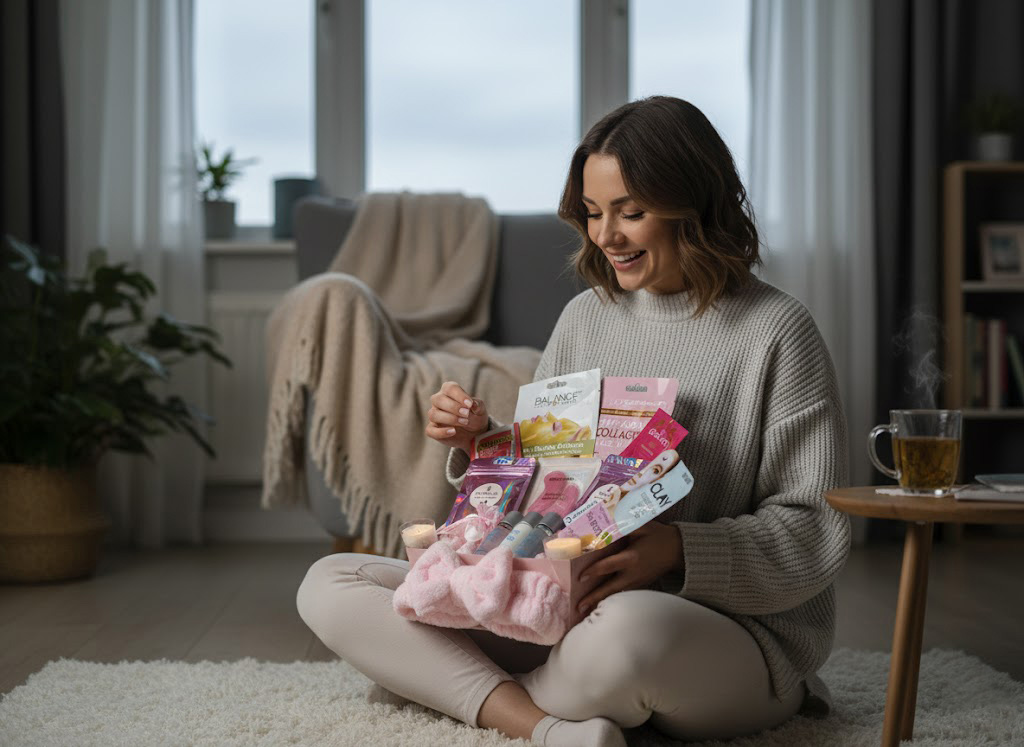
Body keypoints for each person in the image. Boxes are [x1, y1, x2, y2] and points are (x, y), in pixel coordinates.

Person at [297, 96, 851, 746]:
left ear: (697, 205)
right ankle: (540, 723)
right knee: (331, 582)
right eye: (592, 213)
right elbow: (550, 485)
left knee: (624, 636)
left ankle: (445, 687)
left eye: (631, 212)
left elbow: (815, 533)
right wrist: (485, 444)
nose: (605, 236)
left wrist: (676, 553)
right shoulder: (585, 318)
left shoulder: (779, 332)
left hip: (715, 631)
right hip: (554, 606)